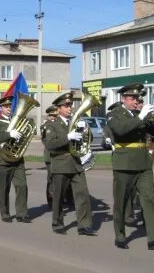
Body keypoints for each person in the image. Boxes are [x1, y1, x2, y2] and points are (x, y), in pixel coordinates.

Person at [107, 83, 154, 250]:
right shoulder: (115, 114)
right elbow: (120, 130)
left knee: (149, 199)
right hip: (125, 163)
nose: (136, 101)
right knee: (121, 200)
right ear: (123, 99)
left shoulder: (141, 114)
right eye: (132, 98)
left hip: (143, 163)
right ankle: (120, 235)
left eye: (138, 98)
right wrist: (140, 117)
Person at [43, 92, 97, 236]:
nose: (69, 108)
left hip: (76, 163)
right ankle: (58, 223)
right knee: (59, 196)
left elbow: (87, 140)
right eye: (66, 106)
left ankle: (84, 225)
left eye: (70, 105)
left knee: (82, 195)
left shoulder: (76, 121)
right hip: (60, 163)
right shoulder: (51, 124)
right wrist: (68, 137)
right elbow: (50, 144)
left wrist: (85, 129)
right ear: (58, 108)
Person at [0, 95, 30, 223]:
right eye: (6, 106)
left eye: (9, 106)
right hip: (3, 160)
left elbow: (25, 136)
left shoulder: (17, 121)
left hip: (17, 159)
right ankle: (5, 213)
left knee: (22, 185)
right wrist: (9, 134)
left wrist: (21, 136)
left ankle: (21, 213)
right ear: (1, 108)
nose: (8, 108)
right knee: (4, 188)